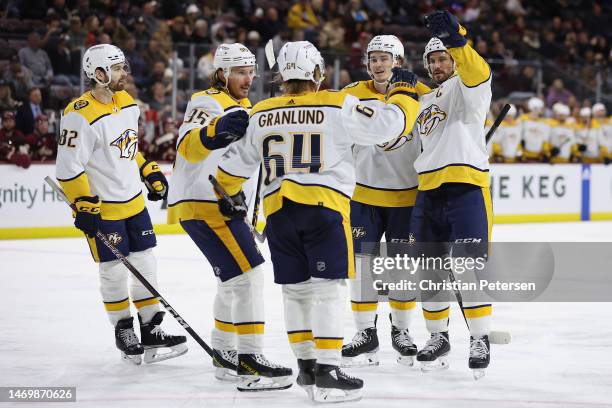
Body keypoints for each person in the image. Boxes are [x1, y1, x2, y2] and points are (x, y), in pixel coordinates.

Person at [214, 40, 420, 402]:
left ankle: (307, 369)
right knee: (327, 291)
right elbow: (389, 126)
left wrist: (230, 197)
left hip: (279, 213)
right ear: (316, 73)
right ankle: (327, 370)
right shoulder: (338, 103)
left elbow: (229, 171)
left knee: (296, 293)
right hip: (324, 209)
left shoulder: (261, 112)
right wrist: (403, 93)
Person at [167, 43, 291, 390]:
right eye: (240, 71)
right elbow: (188, 146)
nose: (248, 78)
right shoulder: (206, 100)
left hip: (223, 205)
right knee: (249, 276)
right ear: (221, 73)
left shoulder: (248, 107)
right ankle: (250, 358)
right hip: (205, 201)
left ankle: (224, 354)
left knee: (231, 280)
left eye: (251, 71)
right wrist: (214, 132)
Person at [55, 44, 187, 365]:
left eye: (122, 67)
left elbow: (127, 149)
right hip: (104, 209)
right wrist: (83, 205)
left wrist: (147, 170)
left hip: (134, 204)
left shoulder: (127, 103)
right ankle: (123, 329)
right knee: (113, 271)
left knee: (146, 265)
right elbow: (68, 169)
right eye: (116, 69)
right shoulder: (78, 115)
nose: (123, 74)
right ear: (98, 74)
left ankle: (150, 328)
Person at [411, 11, 494, 378]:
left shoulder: (470, 86)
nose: (438, 63)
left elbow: (477, 70)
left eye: (443, 57)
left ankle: (479, 337)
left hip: (466, 187)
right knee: (428, 270)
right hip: (428, 189)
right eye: (433, 59)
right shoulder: (426, 99)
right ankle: (437, 336)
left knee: (465, 266)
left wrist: (458, 40)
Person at [339, 35, 430, 368]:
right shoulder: (350, 95)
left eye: (384, 58)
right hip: (362, 195)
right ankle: (365, 333)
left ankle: (401, 330)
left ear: (399, 62)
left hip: (407, 196)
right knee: (361, 268)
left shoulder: (420, 95)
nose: (378, 64)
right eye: (373, 58)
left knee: (402, 269)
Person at [520, 97, 551, 163]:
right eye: (541, 108)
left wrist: (546, 153)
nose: (543, 110)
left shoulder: (544, 123)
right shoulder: (523, 119)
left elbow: (545, 140)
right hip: (524, 157)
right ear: (535, 108)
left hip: (539, 157)